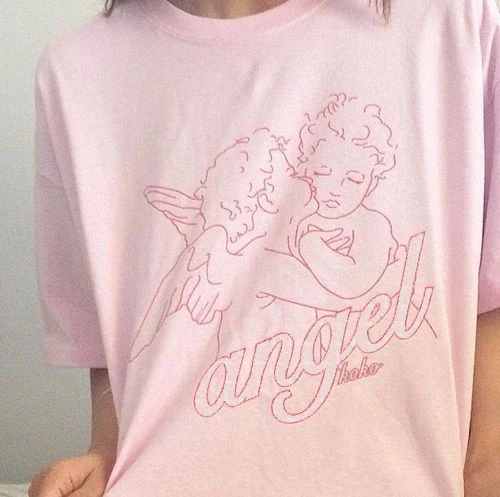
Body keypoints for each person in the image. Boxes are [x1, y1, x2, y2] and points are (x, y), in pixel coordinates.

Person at [28, 0, 500, 495]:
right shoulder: (74, 71)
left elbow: (486, 295)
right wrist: (104, 457)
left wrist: (486, 469)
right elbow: (113, 341)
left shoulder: (453, 25)